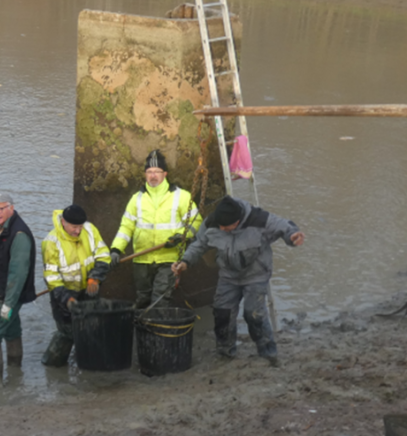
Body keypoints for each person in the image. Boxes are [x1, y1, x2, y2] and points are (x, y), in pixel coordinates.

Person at [172, 196, 305, 367]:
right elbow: (199, 244)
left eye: (225, 227)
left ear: (237, 222)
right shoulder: (213, 222)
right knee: (222, 313)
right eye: (220, 226)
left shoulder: (259, 220)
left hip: (256, 275)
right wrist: (185, 262)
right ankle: (225, 353)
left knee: (253, 314)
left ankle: (268, 353)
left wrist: (293, 236)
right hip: (228, 275)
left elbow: (285, 227)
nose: (221, 229)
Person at [110, 150, 202, 309]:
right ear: (145, 174)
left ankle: (157, 324)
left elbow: (196, 221)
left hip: (168, 259)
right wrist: (116, 249)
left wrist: (181, 236)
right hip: (141, 259)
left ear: (165, 174)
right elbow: (126, 227)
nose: (153, 175)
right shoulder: (136, 199)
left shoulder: (181, 196)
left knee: (160, 300)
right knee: (143, 299)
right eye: (149, 172)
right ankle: (144, 325)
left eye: (157, 172)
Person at [41, 204, 111, 367]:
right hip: (63, 292)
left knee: (90, 327)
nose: (78, 231)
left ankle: (86, 362)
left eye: (80, 226)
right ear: (63, 222)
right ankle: (52, 364)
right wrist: (66, 299)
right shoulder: (51, 242)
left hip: (89, 288)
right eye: (74, 227)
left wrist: (95, 278)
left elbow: (103, 255)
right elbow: (52, 278)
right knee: (67, 332)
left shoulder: (90, 230)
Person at [0, 192, 37, 387]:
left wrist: (9, 303)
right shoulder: (0, 228)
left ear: (11, 208)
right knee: (11, 331)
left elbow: (18, 273)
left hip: (6, 295)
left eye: (0, 209)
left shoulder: (19, 235)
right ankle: (16, 374)